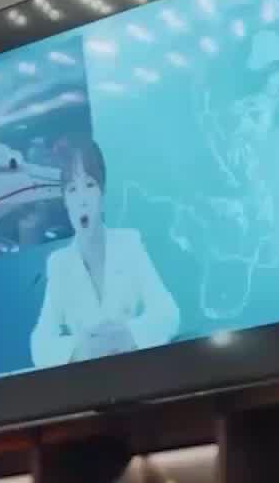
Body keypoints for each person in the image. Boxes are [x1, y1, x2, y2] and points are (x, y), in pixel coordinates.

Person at [30, 140, 179, 368]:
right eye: (72, 189)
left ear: (102, 192)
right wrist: (81, 349)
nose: (82, 200)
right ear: (65, 201)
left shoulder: (129, 243)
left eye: (89, 185)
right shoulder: (60, 263)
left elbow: (169, 313)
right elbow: (40, 345)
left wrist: (127, 335)